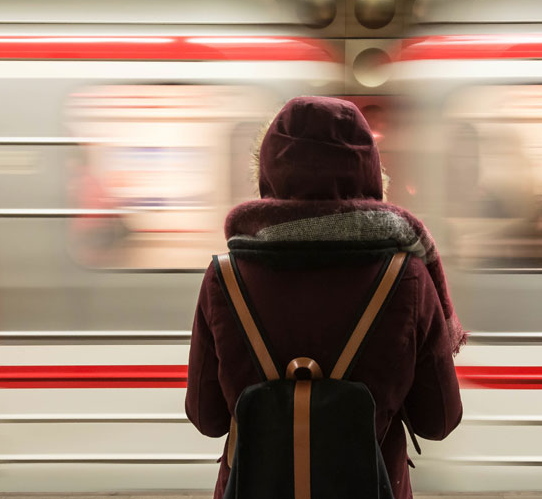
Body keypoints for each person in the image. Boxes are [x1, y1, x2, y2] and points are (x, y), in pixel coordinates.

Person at [186, 96, 465, 499]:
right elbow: (439, 420)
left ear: (269, 171)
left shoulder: (224, 277)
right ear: (369, 172)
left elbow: (206, 417)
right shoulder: (407, 277)